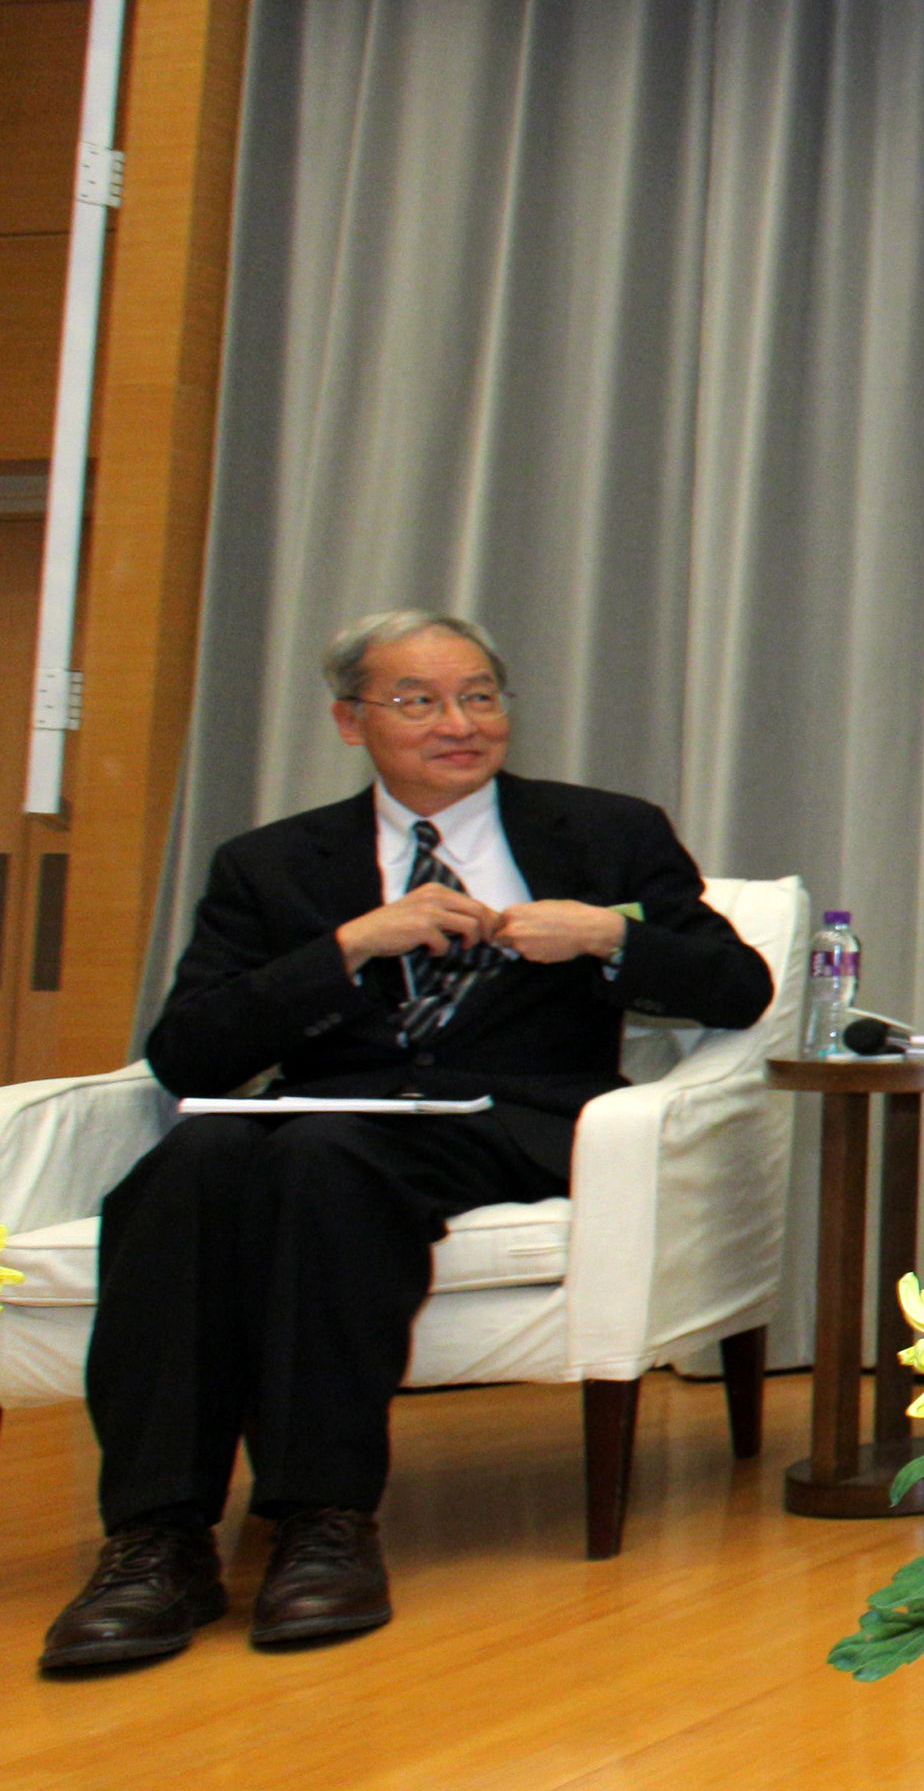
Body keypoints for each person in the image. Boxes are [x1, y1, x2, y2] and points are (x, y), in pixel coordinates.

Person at [41, 612, 776, 1674]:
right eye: (419, 702)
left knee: (326, 1164)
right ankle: (156, 1541)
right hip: (321, 1109)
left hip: (507, 1119)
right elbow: (187, 1055)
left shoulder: (603, 832)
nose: (458, 724)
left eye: (479, 697)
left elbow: (739, 988)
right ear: (352, 721)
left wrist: (610, 936)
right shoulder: (271, 864)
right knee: (183, 1167)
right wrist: (345, 949)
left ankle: (322, 1521)